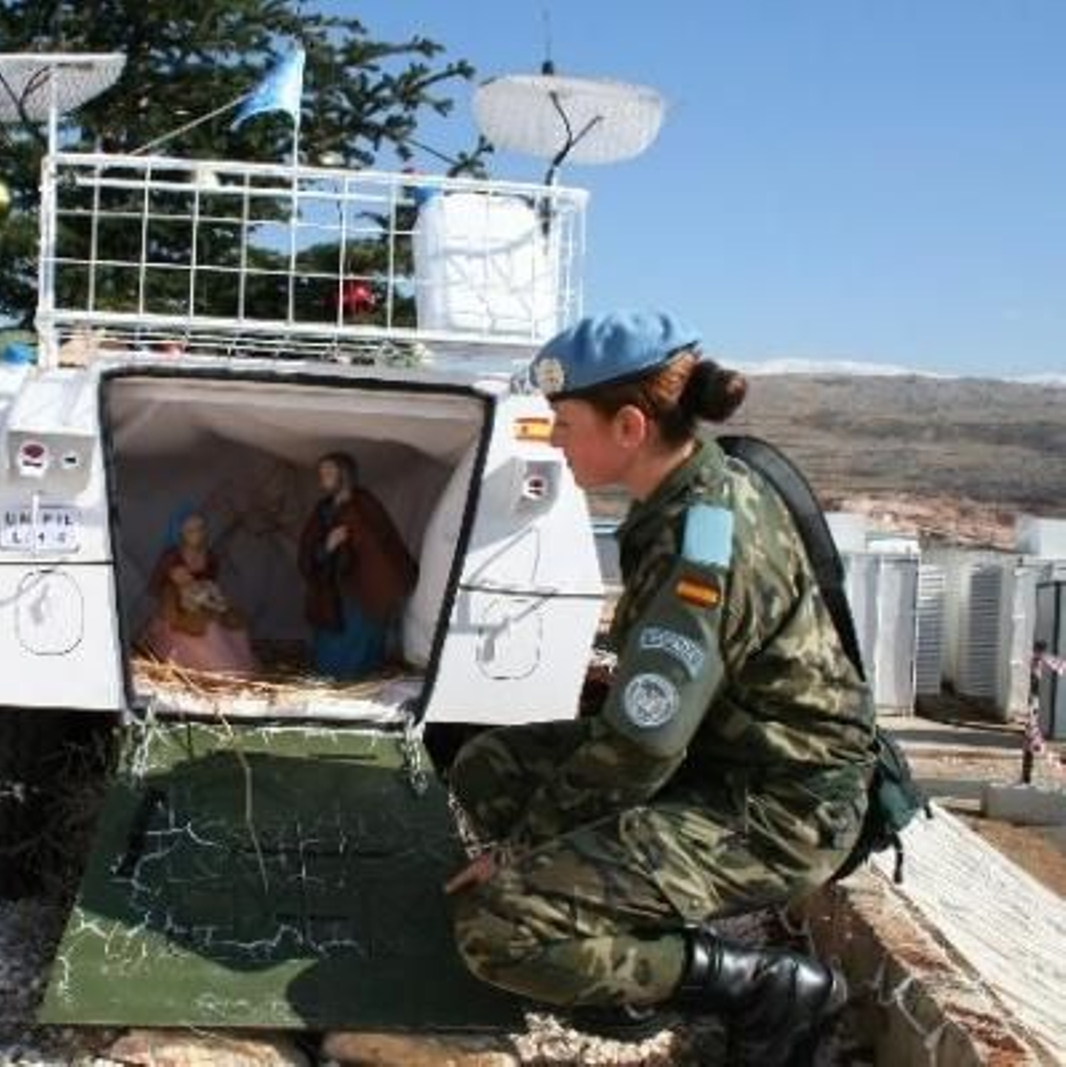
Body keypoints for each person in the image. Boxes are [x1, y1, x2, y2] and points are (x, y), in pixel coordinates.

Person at [446, 311, 874, 1066]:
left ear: (630, 426)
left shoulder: (700, 541)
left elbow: (643, 740)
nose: (553, 439)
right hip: (717, 760)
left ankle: (763, 984)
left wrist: (519, 853)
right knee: (489, 764)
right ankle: (621, 962)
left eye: (565, 421)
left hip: (777, 806)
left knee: (498, 930)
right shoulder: (689, 490)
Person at [297, 452, 418, 679]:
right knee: (331, 648)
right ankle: (334, 680)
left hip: (363, 590)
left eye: (329, 472)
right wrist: (327, 546)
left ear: (345, 475)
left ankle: (358, 679)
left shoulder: (366, 506)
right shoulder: (322, 509)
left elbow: (384, 544)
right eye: (321, 473)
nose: (322, 478)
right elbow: (308, 551)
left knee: (361, 644)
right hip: (333, 592)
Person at [142, 505, 257, 675]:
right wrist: (183, 593)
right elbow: (163, 586)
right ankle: (210, 663)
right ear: (180, 533)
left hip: (204, 598)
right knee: (202, 626)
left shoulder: (210, 557)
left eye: (201, 528)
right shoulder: (172, 557)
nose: (198, 534)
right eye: (191, 530)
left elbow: (211, 584)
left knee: (233, 622)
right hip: (177, 603)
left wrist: (214, 600)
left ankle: (234, 663)